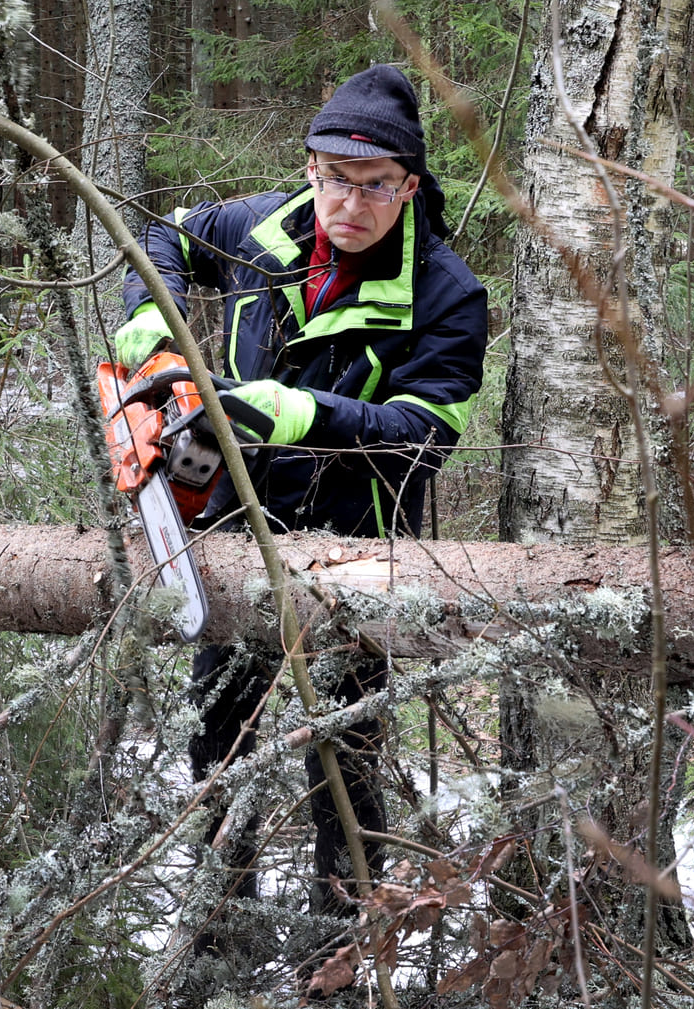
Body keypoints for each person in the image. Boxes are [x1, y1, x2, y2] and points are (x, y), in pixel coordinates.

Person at [111, 64, 488, 942]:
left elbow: (425, 431)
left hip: (357, 552)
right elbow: (159, 236)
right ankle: (222, 930)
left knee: (344, 766)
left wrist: (303, 414)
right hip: (234, 530)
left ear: (410, 186)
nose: (347, 203)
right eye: (331, 177)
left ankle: (347, 946)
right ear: (309, 166)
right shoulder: (262, 225)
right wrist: (149, 317)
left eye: (373, 185)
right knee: (215, 741)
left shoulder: (444, 292)